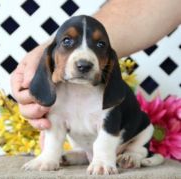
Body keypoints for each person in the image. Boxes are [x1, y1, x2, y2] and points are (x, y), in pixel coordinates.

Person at [11, 0, 181, 132]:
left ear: (109, 60)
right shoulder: (51, 62)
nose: (84, 60)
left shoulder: (107, 89)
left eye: (100, 46)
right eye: (67, 41)